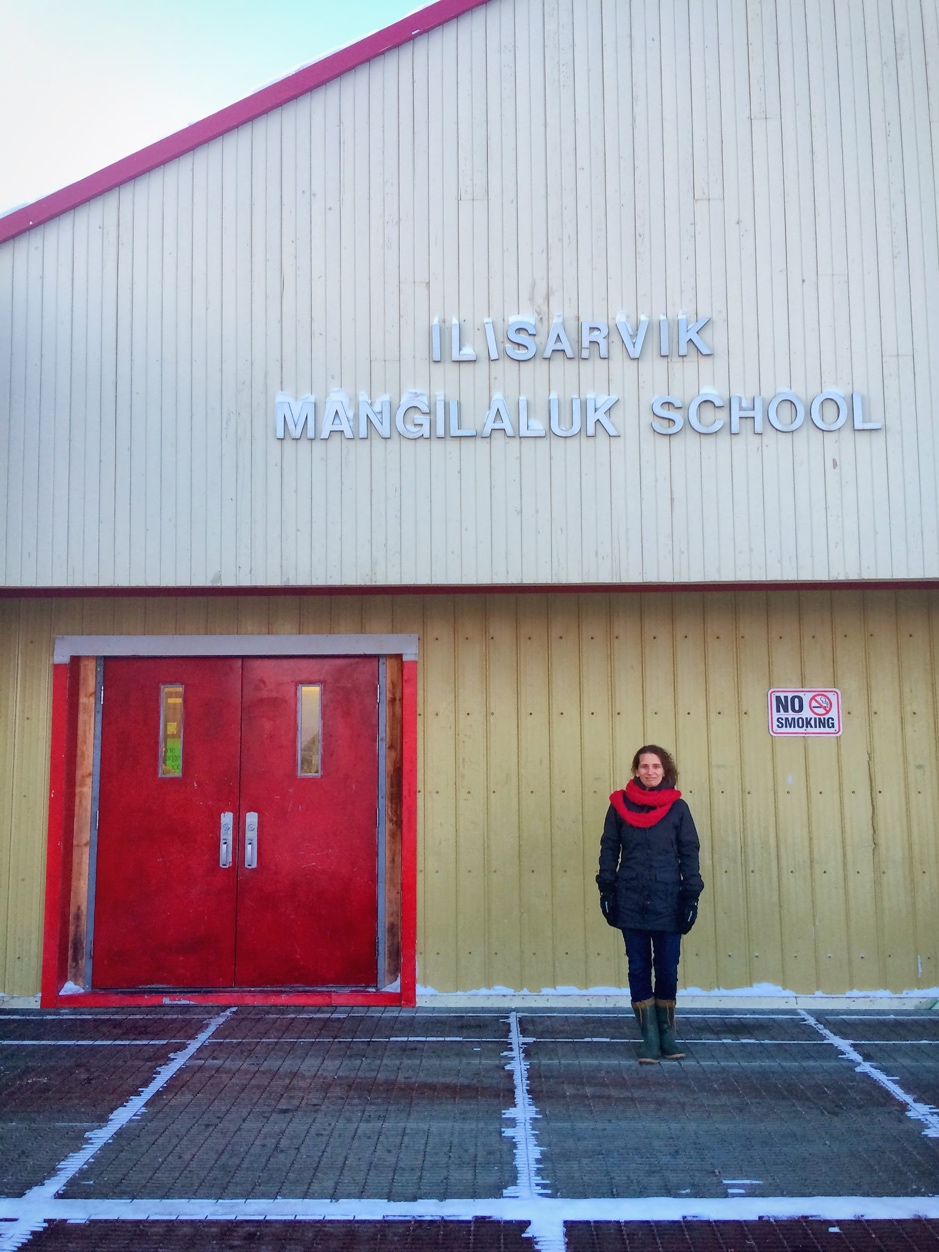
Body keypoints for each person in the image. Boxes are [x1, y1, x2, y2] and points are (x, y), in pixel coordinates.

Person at [596, 745, 703, 1063]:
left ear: (664, 770)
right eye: (644, 766)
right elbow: (609, 847)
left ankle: (667, 1034)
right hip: (630, 898)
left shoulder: (678, 809)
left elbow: (689, 851)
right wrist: (606, 887)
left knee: (668, 968)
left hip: (668, 899)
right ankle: (649, 1037)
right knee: (638, 967)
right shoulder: (618, 807)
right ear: (636, 770)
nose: (650, 771)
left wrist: (691, 893)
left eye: (655, 766)